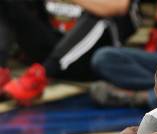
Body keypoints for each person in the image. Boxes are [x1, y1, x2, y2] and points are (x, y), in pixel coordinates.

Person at [0, 0, 139, 105]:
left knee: (99, 16)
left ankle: (39, 76)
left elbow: (119, 7)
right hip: (51, 46)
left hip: (90, 59)